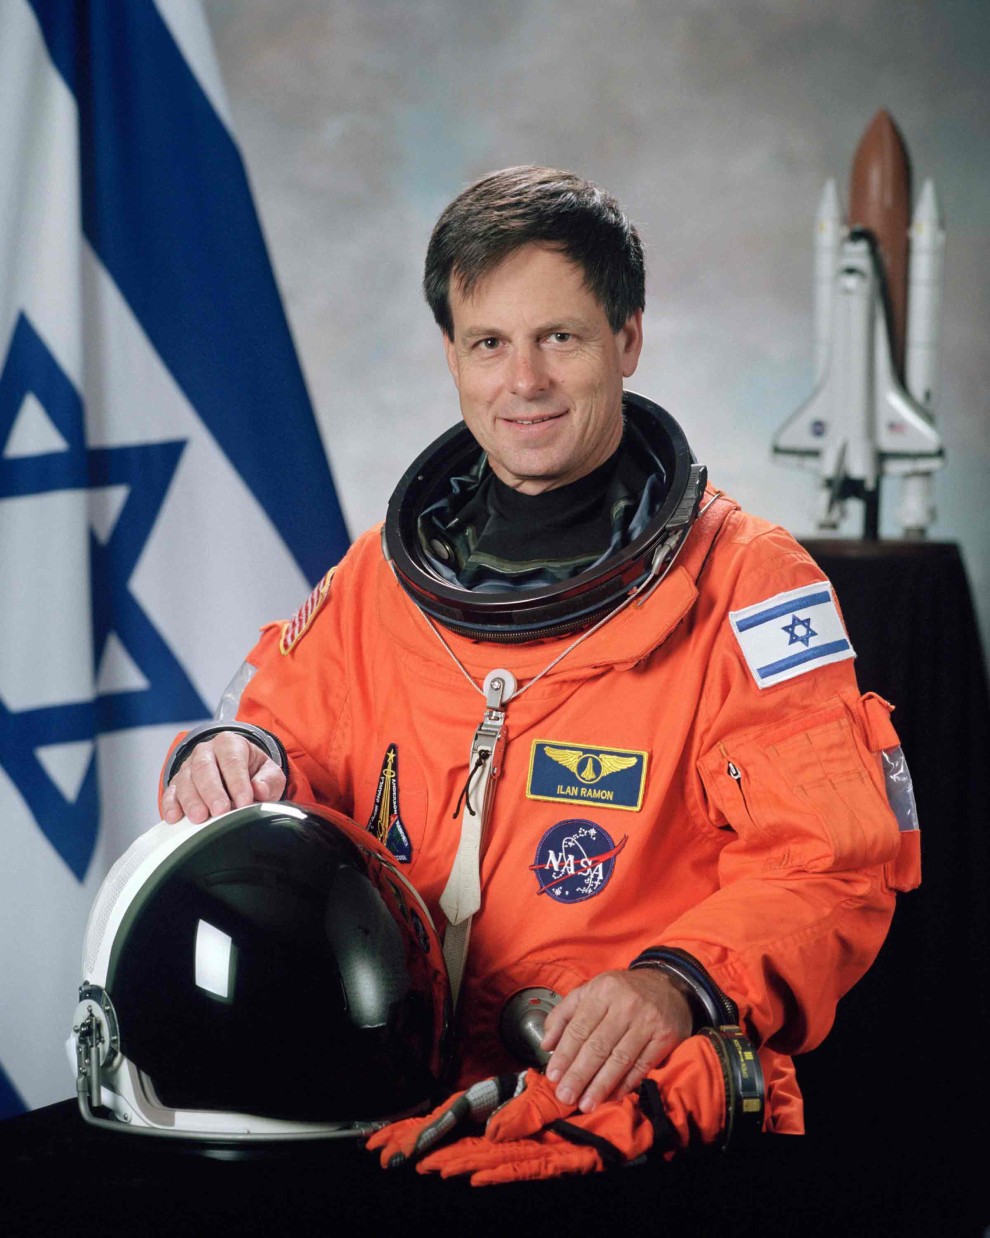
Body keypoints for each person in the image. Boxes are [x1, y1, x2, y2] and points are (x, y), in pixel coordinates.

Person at [159, 167, 918, 1142]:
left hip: (617, 1113)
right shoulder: (379, 580)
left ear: (627, 339)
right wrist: (234, 757)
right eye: (490, 343)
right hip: (384, 1100)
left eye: (560, 337)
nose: (524, 382)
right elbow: (280, 744)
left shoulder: (747, 584)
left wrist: (677, 984)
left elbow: (831, 865)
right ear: (453, 354)